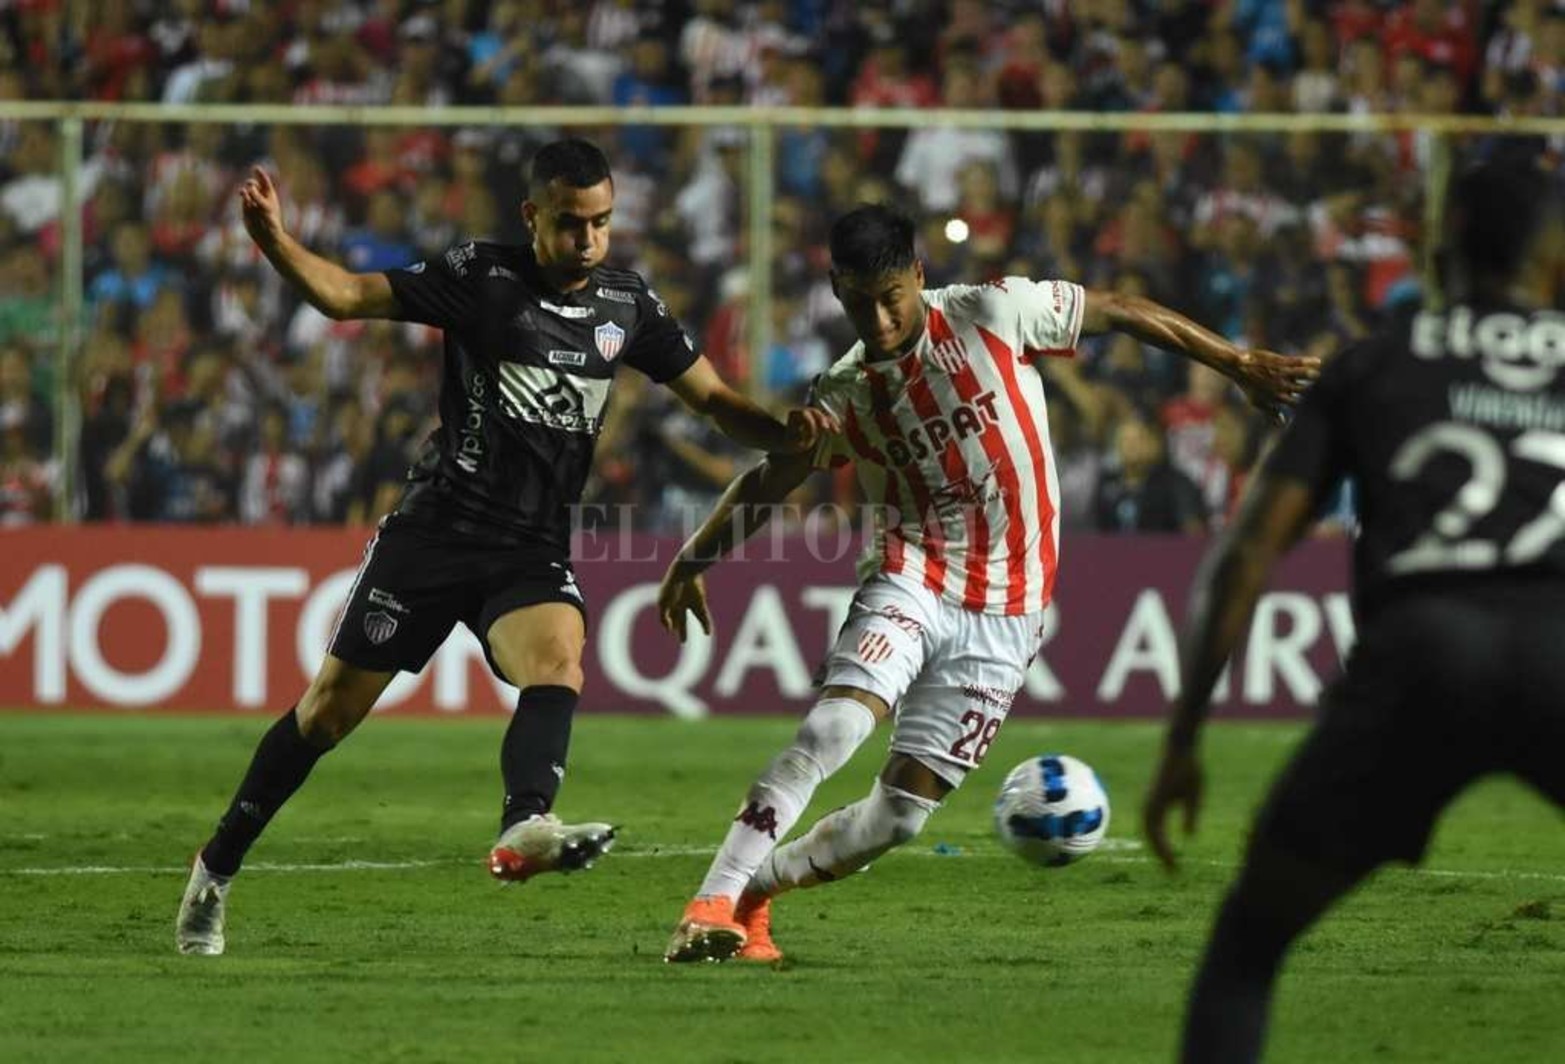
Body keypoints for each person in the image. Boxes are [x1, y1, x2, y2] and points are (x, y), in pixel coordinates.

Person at [175, 138, 834, 956]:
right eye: (569, 224)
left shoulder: (627, 306)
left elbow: (716, 403)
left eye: (600, 223)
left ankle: (525, 825)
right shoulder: (478, 277)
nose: (588, 240)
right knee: (328, 714)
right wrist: (275, 240)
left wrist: (784, 434)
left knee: (559, 661)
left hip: (528, 546)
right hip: (434, 534)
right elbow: (346, 297)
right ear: (533, 216)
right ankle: (216, 869)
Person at [656, 202, 1318, 963]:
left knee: (898, 817)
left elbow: (1120, 312)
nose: (875, 318)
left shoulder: (992, 312)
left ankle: (749, 898)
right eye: (856, 300)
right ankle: (708, 902)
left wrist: (1236, 363)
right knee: (835, 727)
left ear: (918, 275)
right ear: (835, 289)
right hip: (913, 574)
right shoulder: (842, 395)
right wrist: (693, 559)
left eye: (889, 296)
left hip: (1011, 610)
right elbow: (768, 483)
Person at [1142, 153, 1565, 1062]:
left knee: (1245, 953)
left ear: (1443, 254)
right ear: (1554, 259)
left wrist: (1182, 741)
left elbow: (1247, 554)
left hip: (1416, 664)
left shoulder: (1373, 364)